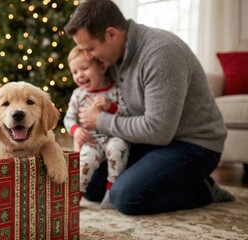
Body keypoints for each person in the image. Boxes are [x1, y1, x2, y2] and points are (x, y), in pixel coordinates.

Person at [64, 0, 234, 215]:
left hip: (194, 145)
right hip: (150, 141)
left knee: (125, 197)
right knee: (94, 186)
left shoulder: (161, 54)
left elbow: (158, 131)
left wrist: (100, 120)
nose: (88, 56)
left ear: (111, 34)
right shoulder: (112, 58)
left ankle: (205, 190)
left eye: (90, 49)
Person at [64, 46, 130, 208]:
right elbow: (68, 118)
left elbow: (127, 114)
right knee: (84, 160)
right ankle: (75, 196)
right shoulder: (78, 95)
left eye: (84, 68)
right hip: (91, 141)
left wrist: (110, 107)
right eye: (74, 72)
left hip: (113, 137)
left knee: (118, 149)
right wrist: (76, 130)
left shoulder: (115, 90)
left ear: (102, 67)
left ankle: (111, 192)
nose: (79, 75)